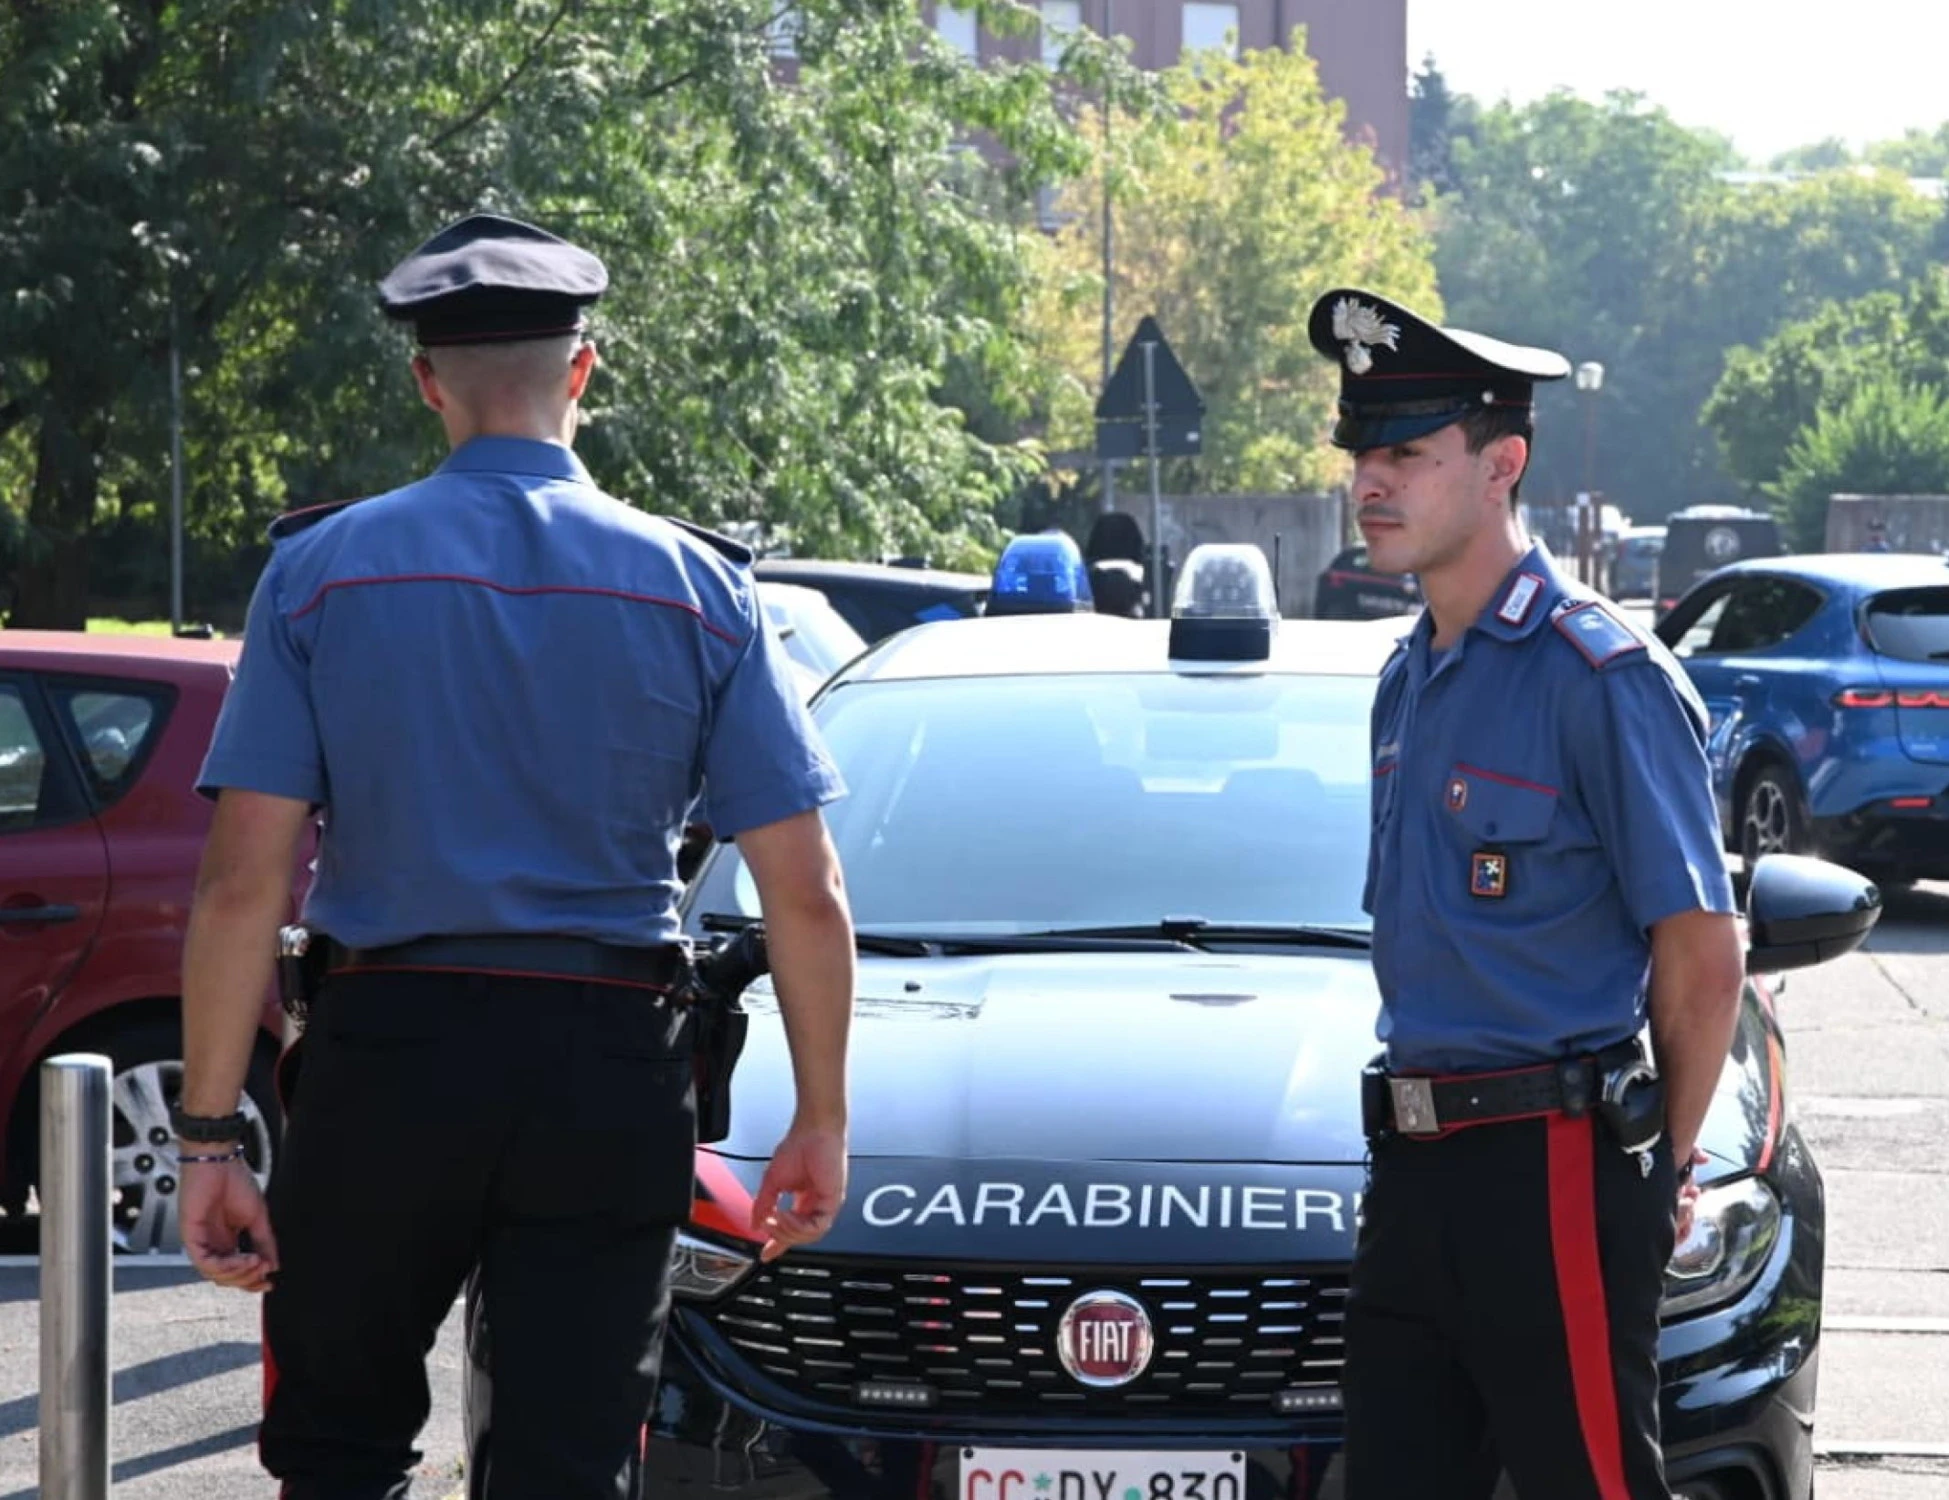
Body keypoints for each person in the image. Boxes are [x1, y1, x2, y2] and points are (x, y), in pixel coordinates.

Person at [175, 212, 858, 1500]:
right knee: (567, 1461)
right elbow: (806, 892)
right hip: (606, 1057)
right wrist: (819, 1118)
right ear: (582, 372)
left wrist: (212, 1137)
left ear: (425, 380)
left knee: (337, 1449)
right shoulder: (700, 586)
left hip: (387, 1054)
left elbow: (238, 881)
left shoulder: (318, 576)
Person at [1306, 288, 1746, 1500]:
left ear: (1502, 463)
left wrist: (1655, 1170)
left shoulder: (1596, 676)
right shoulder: (1408, 679)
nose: (1369, 483)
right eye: (1359, 452)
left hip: (1548, 1166)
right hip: (1409, 1169)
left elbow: (1702, 964)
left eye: (1404, 451)